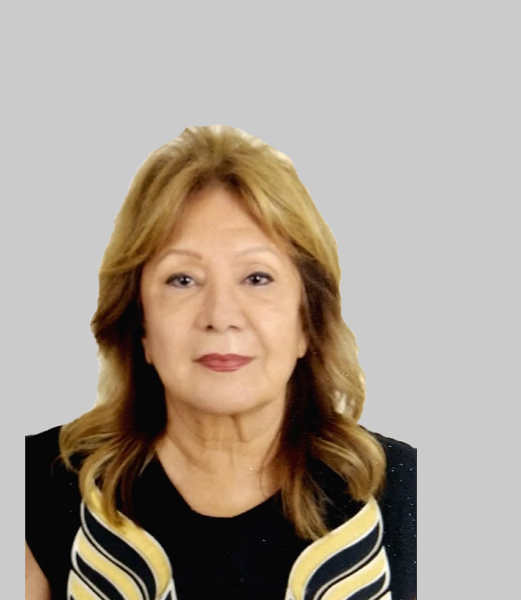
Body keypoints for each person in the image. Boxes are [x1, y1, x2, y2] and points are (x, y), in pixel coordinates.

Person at [25, 125, 417, 600]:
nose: (221, 316)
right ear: (140, 323)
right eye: (183, 280)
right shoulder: (33, 486)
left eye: (257, 277)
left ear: (307, 321)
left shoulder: (413, 493)